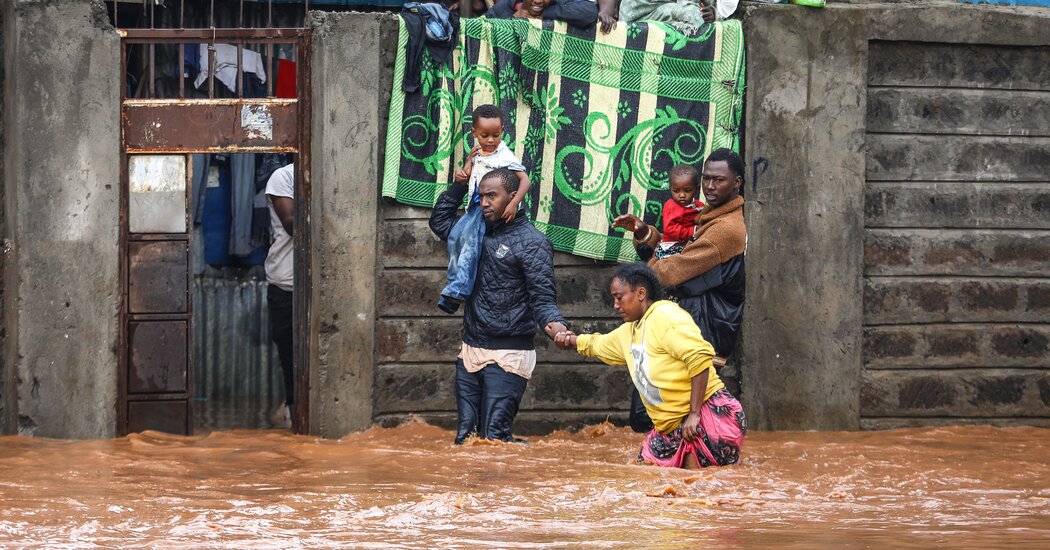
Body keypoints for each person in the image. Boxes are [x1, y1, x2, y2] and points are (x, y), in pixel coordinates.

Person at [554, 264, 746, 468]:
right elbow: (598, 344)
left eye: (619, 297)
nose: (615, 305)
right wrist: (570, 340)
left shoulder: (666, 316)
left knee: (696, 485)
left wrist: (694, 413)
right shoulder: (629, 331)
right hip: (669, 428)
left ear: (640, 293)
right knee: (644, 473)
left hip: (708, 416)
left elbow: (699, 357)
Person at [429, 167, 569, 444]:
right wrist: (459, 186)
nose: (484, 203)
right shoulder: (472, 231)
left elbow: (542, 298)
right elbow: (440, 221)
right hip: (471, 348)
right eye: (481, 196)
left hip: (510, 353)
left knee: (494, 437)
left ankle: (528, 478)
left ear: (513, 197)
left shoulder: (533, 243)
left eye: (492, 196)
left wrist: (557, 328)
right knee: (466, 437)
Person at [612, 148, 745, 432]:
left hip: (702, 326)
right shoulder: (705, 215)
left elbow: (671, 271)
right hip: (688, 322)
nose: (710, 186)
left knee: (663, 413)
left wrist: (647, 269)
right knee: (658, 412)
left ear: (737, 183)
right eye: (707, 179)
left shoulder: (725, 229)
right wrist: (644, 233)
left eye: (719, 180)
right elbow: (677, 249)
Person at [439, 104, 532, 314]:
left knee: (471, 244)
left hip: (489, 209)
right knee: (455, 238)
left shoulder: (504, 155)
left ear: (502, 132)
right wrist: (464, 172)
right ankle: (454, 283)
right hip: (473, 205)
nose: (491, 140)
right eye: (485, 135)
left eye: (496, 135)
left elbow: (524, 180)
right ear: (474, 133)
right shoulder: (477, 153)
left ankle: (457, 291)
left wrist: (513, 202)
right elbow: (470, 172)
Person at [264, 162, 295, 429]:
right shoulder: (283, 177)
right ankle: (296, 423)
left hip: (319, 285)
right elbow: (292, 225)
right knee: (291, 363)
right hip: (285, 286)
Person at [655, 164, 703, 260]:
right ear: (671, 189)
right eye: (676, 191)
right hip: (673, 245)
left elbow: (704, 219)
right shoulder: (671, 206)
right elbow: (670, 229)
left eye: (687, 190)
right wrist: (693, 230)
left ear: (697, 190)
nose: (681, 195)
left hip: (690, 243)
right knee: (674, 265)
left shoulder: (699, 206)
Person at [618, 0, 737, 35]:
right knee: (693, 15)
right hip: (637, 9)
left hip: (666, 10)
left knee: (694, 15)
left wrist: (716, 12)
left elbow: (726, 6)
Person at [488, 0, 601, 29]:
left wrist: (545, 14)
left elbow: (590, 13)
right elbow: (480, 29)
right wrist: (511, 21)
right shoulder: (504, 8)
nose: (538, 1)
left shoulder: (559, 3)